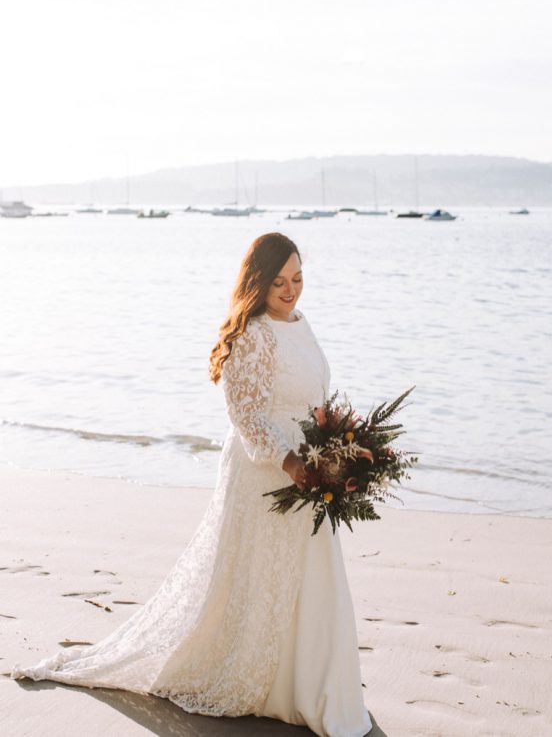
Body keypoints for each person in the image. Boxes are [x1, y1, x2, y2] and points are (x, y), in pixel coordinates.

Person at [11, 232, 373, 737]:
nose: (291, 290)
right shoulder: (253, 334)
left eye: (298, 279)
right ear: (258, 283)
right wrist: (291, 462)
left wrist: (337, 447)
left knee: (313, 574)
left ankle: (310, 682)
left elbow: (315, 398)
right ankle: (259, 677)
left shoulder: (300, 325)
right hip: (267, 474)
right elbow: (245, 415)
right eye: (279, 282)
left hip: (309, 470)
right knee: (255, 578)